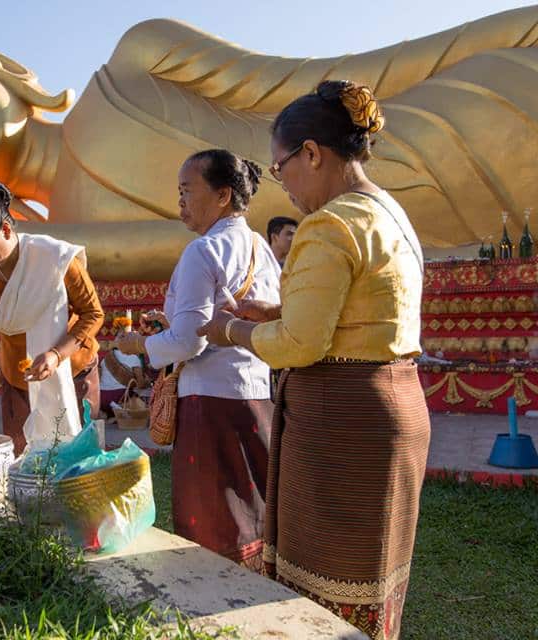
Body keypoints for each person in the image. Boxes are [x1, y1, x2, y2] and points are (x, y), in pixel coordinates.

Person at [196, 81, 429, 640]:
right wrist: (274, 308)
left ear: (313, 153)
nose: (285, 186)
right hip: (393, 405)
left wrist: (229, 328)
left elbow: (301, 344)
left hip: (344, 418)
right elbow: (355, 311)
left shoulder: (329, 223)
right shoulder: (387, 211)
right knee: (371, 577)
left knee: (328, 583)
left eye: (281, 169)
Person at [117, 149, 280, 569]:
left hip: (208, 401)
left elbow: (190, 342)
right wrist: (170, 323)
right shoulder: (261, 246)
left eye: (188, 191)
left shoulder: (202, 250)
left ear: (223, 195)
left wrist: (141, 346)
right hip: (256, 394)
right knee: (253, 504)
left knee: (214, 517)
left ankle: (216, 601)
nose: (180, 202)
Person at [0, 180, 104, 455]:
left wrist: (56, 355)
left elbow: (92, 313)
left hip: (72, 370)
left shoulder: (55, 257)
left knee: (78, 463)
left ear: (6, 229)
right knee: (27, 463)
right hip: (18, 378)